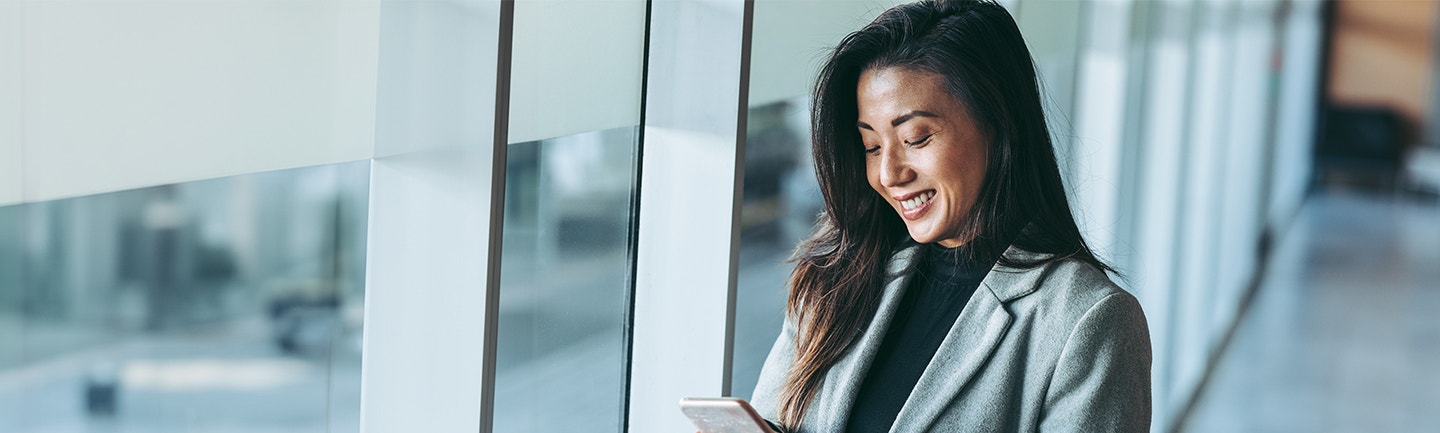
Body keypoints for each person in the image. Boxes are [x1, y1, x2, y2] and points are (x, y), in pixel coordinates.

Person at [747, 1, 1152, 432]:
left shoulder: (1090, 322)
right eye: (872, 146)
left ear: (999, 124)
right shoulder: (837, 277)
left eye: (916, 138)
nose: (889, 174)